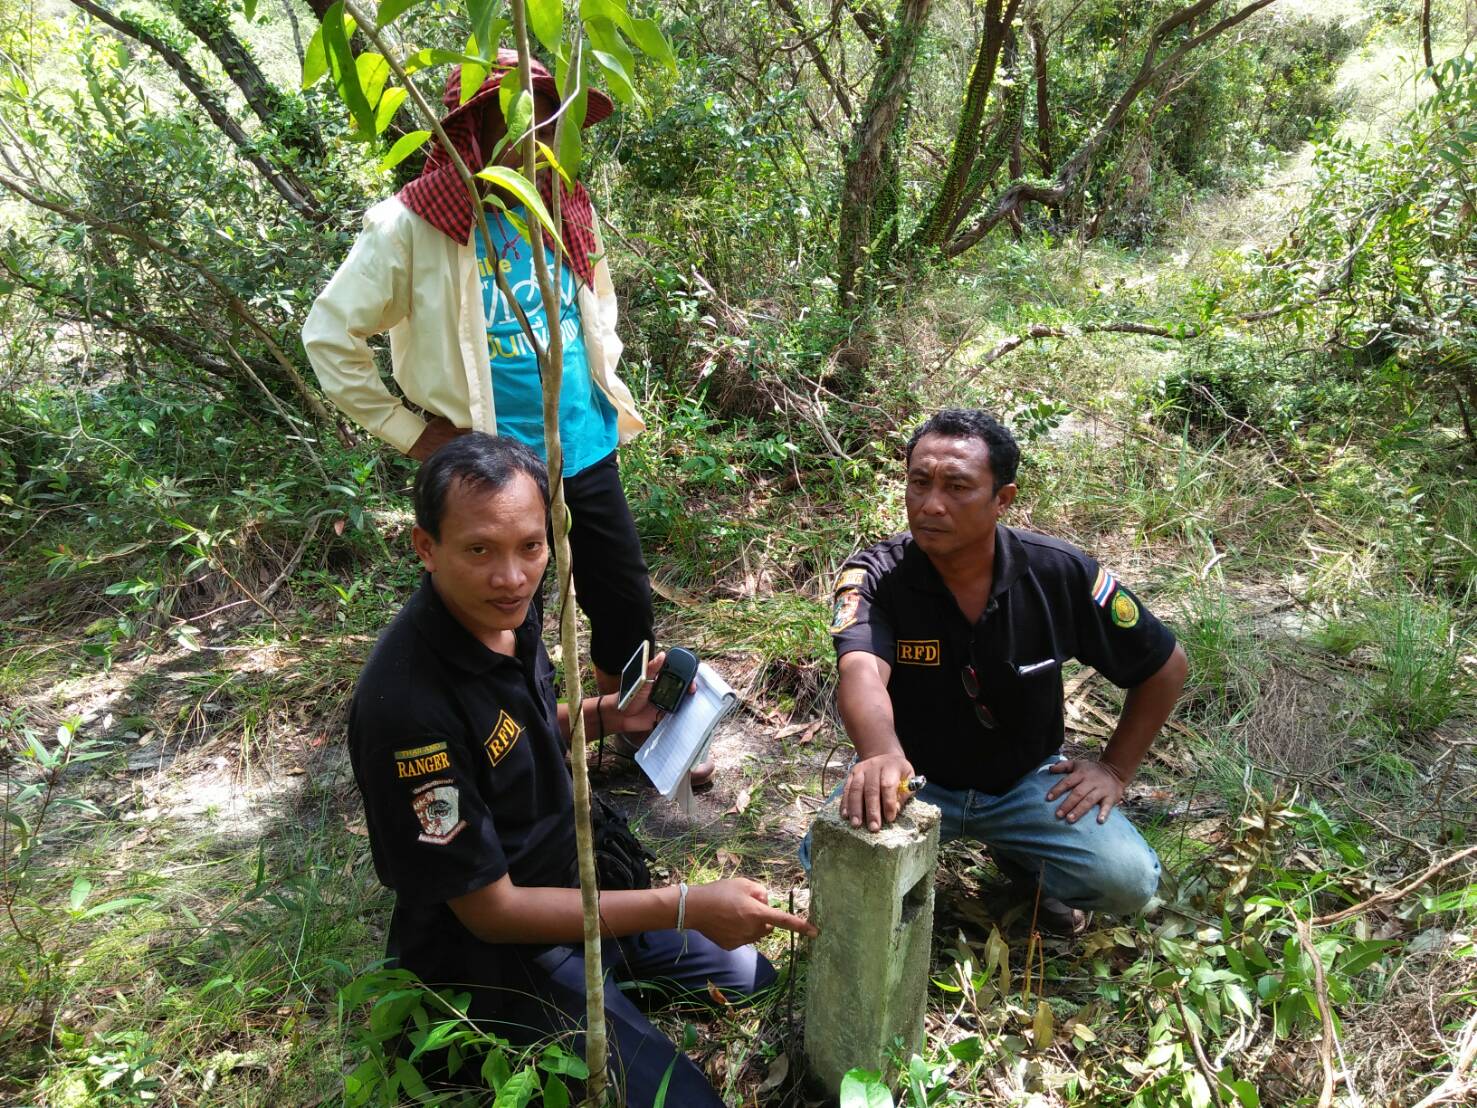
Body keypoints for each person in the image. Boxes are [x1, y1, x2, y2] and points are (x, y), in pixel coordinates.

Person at [349, 433, 814, 1105]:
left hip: (573, 880)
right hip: (497, 951)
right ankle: (528, 1028)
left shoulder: (506, 613)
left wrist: (610, 714)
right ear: (427, 548)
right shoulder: (408, 709)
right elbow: (492, 913)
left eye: (529, 547)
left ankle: (611, 982)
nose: (511, 576)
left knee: (750, 978)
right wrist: (685, 905)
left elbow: (517, 726)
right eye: (479, 550)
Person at [302, 51, 714, 783]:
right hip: (489, 472)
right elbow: (330, 334)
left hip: (583, 443)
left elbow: (596, 301)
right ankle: (526, 752)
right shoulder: (412, 225)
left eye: (550, 119)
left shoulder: (565, 203)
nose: (540, 137)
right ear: (475, 128)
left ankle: (636, 730)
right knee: (508, 612)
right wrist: (414, 433)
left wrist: (602, 375)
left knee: (622, 595)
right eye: (523, 117)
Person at [805, 409, 1188, 935]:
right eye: (919, 482)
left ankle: (1028, 866)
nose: (931, 504)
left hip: (1026, 782)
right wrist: (880, 754)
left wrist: (1114, 771)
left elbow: (1165, 666)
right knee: (829, 865)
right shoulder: (875, 576)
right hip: (913, 777)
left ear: (1001, 499)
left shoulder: (1058, 573)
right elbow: (862, 671)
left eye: (957, 486)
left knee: (1127, 881)